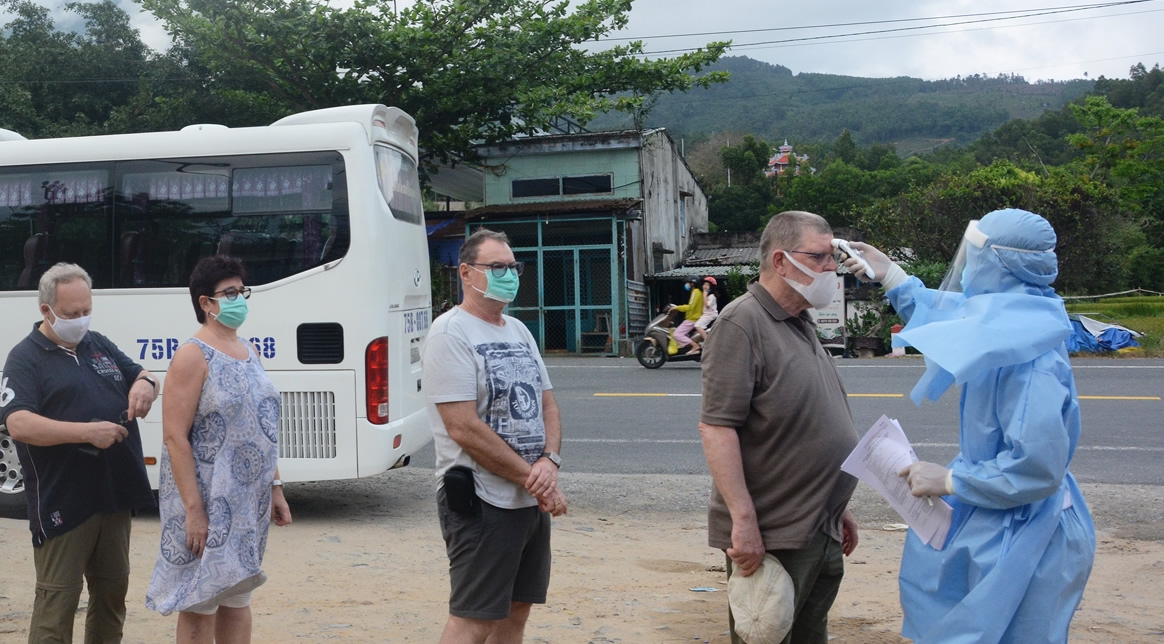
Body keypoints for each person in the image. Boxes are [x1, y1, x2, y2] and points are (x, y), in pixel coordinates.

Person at [843, 208, 1095, 644]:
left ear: (1001, 263)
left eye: (974, 254)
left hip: (1026, 522)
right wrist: (892, 276)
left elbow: (1037, 466)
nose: (966, 266)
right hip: (997, 508)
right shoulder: (1015, 320)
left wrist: (952, 481)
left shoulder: (1030, 358)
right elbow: (952, 317)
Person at [699, 211, 860, 644]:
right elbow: (717, 429)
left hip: (818, 524)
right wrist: (743, 521)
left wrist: (837, 505)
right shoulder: (741, 323)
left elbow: (806, 421)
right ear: (780, 261)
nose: (831, 268)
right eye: (820, 257)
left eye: (833, 257)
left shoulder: (800, 320)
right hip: (774, 533)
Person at [0, 262, 159, 643]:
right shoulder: (25, 358)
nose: (81, 320)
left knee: (112, 595)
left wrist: (146, 384)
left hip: (113, 495)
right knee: (57, 604)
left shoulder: (97, 343)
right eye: (72, 314)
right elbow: (18, 423)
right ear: (46, 310)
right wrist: (86, 433)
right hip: (64, 501)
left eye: (87, 310)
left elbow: (142, 374)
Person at [423, 229, 568, 644]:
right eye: (497, 267)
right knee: (475, 618)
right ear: (466, 273)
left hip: (529, 498)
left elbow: (548, 405)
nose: (509, 275)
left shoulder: (519, 330)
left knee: (516, 611)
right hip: (482, 499)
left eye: (513, 267)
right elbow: (462, 427)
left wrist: (549, 461)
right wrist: (535, 479)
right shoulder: (450, 334)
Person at [145, 255, 292, 643]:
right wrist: (194, 511)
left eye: (242, 291)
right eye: (229, 293)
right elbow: (175, 437)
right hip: (207, 498)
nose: (239, 299)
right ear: (206, 303)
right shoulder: (192, 355)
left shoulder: (249, 349)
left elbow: (261, 427)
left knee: (238, 596)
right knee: (200, 600)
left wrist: (276, 487)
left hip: (247, 501)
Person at [669, 275, 704, 354]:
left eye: (688, 283)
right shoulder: (698, 292)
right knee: (681, 333)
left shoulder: (695, 292)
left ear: (692, 283)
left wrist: (677, 308)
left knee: (677, 334)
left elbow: (690, 307)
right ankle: (685, 346)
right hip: (694, 318)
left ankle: (695, 346)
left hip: (692, 319)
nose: (686, 285)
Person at [693, 276, 719, 344]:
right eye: (704, 284)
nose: (705, 286)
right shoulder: (707, 295)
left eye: (708, 285)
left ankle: (707, 341)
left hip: (710, 315)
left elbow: (707, 306)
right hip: (706, 314)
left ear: (711, 287)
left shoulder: (712, 296)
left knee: (697, 326)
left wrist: (704, 295)